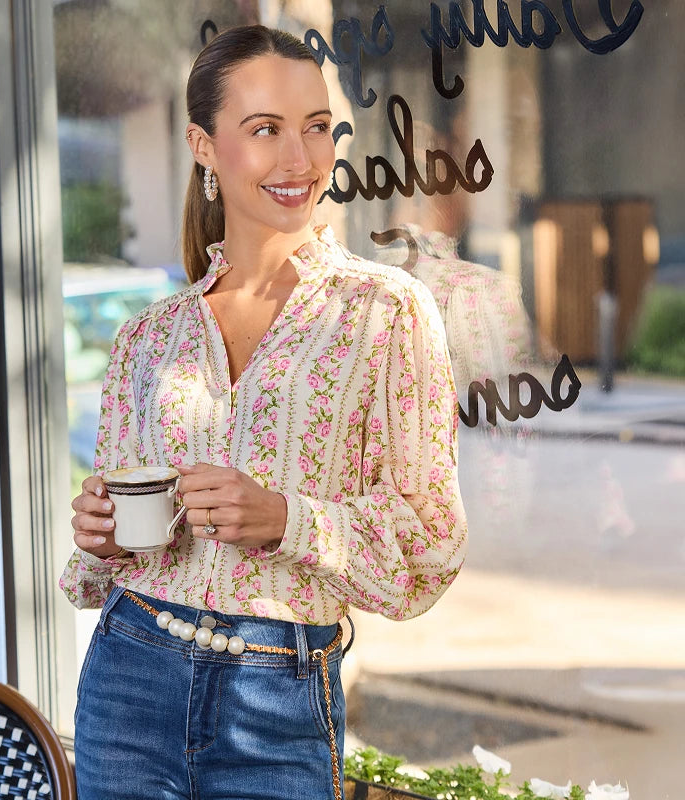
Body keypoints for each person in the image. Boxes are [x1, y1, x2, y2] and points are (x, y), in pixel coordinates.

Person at [61, 24, 467, 800]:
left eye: (317, 128)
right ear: (204, 145)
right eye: (266, 130)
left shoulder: (386, 314)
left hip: (280, 694)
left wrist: (288, 519)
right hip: (129, 677)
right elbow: (100, 564)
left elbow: (432, 548)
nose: (301, 160)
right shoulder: (150, 337)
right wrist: (100, 535)